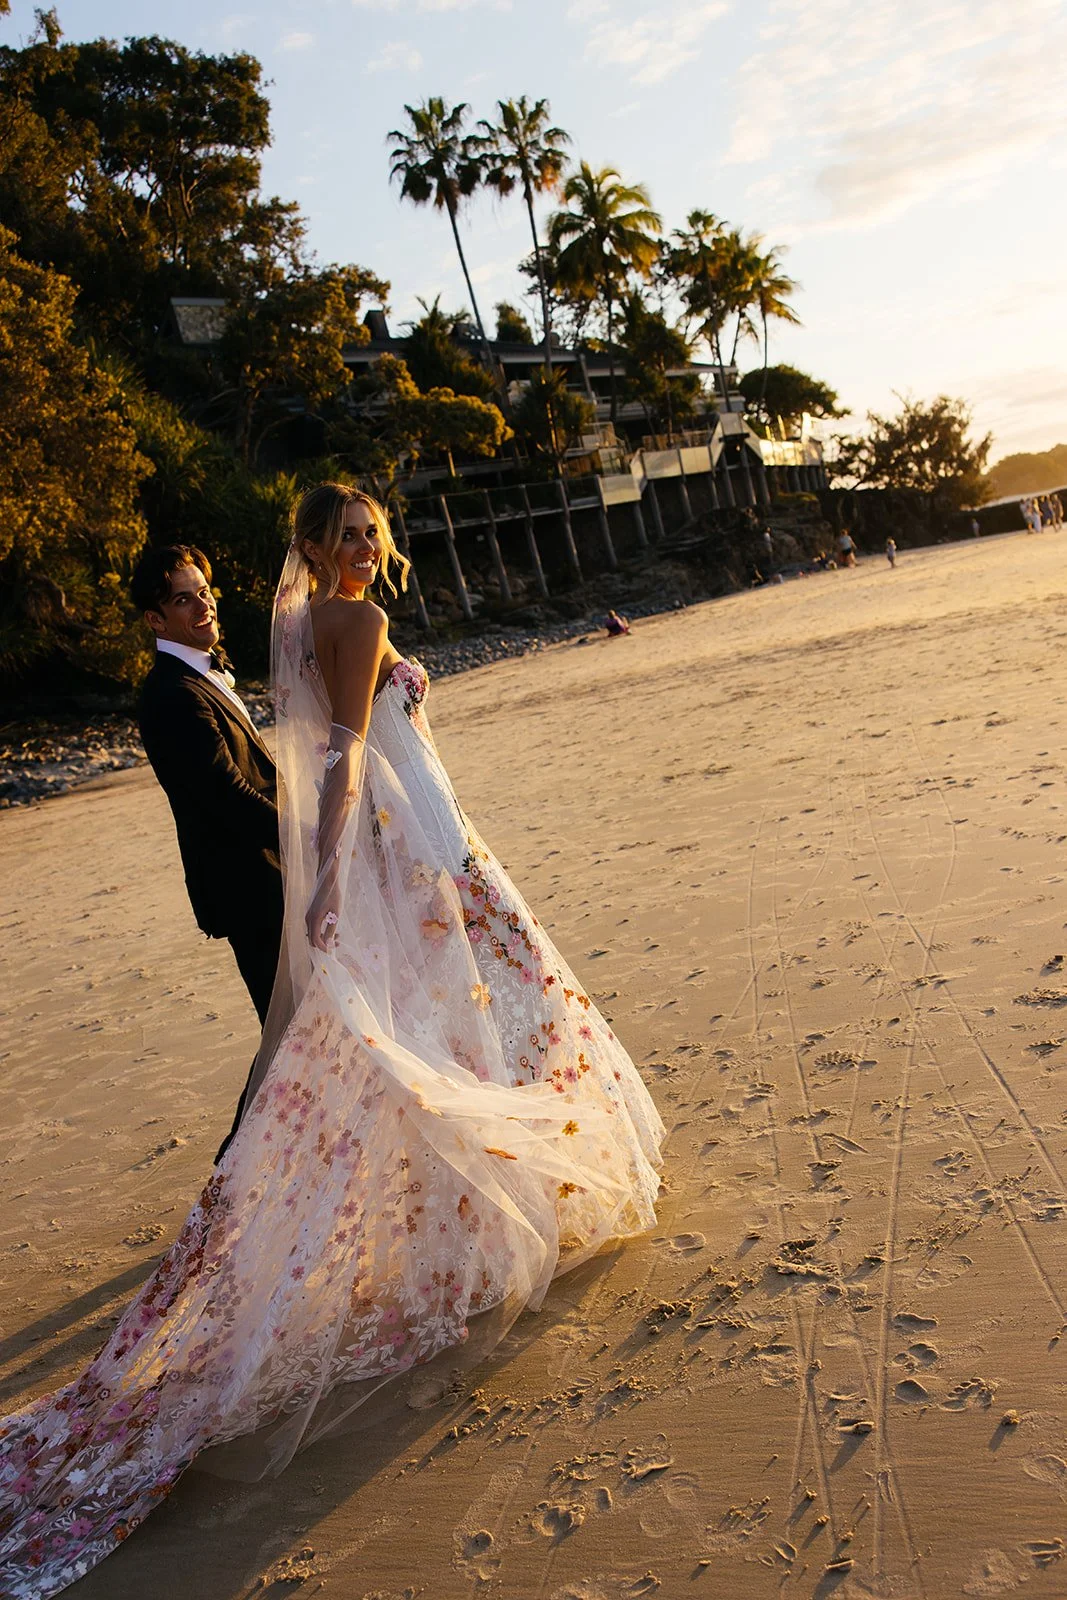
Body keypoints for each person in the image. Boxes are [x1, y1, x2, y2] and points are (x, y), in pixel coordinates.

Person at [0, 485, 664, 1598]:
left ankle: (317, 1192)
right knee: (415, 1028)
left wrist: (325, 847)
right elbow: (332, 758)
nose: (362, 546)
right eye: (343, 534)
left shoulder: (297, 628)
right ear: (312, 547)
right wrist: (320, 861)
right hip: (379, 847)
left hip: (385, 835)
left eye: (370, 531)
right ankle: (314, 1198)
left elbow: (312, 753)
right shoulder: (329, 628)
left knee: (382, 1034)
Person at [133, 544, 284, 1158]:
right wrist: (309, 834)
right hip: (251, 888)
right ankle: (233, 1175)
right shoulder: (171, 694)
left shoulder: (199, 673)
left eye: (204, 592)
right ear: (155, 619)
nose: (203, 606)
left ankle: (248, 1176)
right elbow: (228, 794)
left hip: (270, 876)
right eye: (183, 599)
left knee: (295, 1033)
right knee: (289, 1037)